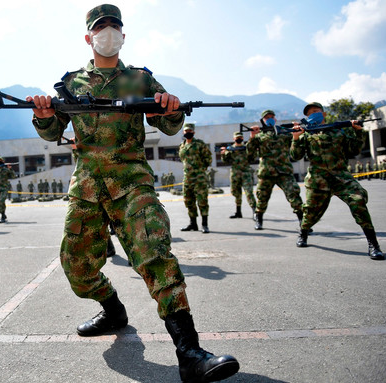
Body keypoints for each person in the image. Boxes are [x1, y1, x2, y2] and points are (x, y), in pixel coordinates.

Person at [26, 5, 239, 382]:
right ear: (88, 37)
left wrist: (172, 109)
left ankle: (190, 352)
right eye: (100, 28)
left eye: (114, 27)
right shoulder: (71, 84)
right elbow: (50, 130)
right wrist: (43, 113)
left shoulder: (141, 80)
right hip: (88, 185)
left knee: (155, 254)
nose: (108, 32)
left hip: (132, 182)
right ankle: (113, 310)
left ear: (123, 36)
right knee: (78, 270)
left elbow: (170, 126)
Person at [291, 102, 384, 260]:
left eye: (316, 111)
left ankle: (373, 244)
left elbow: (354, 150)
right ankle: (303, 233)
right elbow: (295, 156)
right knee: (310, 214)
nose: (313, 114)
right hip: (317, 180)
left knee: (358, 201)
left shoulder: (338, 131)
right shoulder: (306, 134)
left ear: (324, 114)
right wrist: (295, 138)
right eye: (310, 113)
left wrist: (358, 132)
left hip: (341, 177)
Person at [247, 110, 304, 230]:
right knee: (262, 197)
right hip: (266, 172)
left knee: (293, 194)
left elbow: (296, 143)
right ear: (263, 120)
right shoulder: (259, 136)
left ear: (276, 119)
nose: (270, 119)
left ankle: (303, 222)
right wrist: (252, 137)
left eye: (272, 117)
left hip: (284, 171)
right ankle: (259, 218)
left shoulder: (283, 133)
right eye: (267, 117)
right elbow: (250, 156)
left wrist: (296, 131)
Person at [179, 123, 212, 233]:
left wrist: (201, 169)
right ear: (183, 132)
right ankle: (193, 224)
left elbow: (208, 158)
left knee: (202, 201)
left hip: (199, 178)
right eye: (186, 131)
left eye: (190, 131)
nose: (188, 133)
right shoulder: (182, 146)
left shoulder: (199, 144)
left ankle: (204, 224)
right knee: (189, 201)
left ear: (193, 132)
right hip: (187, 178)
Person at [221, 132, 257, 219]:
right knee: (236, 193)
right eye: (237, 137)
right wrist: (223, 154)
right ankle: (238, 212)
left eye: (240, 137)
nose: (239, 139)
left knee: (249, 192)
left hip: (246, 173)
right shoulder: (230, 149)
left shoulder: (247, 148)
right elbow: (225, 161)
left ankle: (255, 212)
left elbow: (252, 158)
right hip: (235, 173)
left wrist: (253, 151)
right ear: (234, 139)